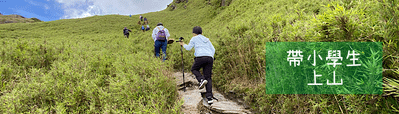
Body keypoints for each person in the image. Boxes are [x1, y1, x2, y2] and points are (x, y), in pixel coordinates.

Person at [179, 26, 215, 104]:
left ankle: (201, 80)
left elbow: (188, 48)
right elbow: (213, 49)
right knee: (208, 77)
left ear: (193, 33)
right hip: (209, 58)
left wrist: (183, 44)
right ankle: (209, 98)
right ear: (202, 33)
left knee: (194, 69)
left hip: (200, 57)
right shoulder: (207, 39)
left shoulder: (194, 38)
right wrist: (211, 56)